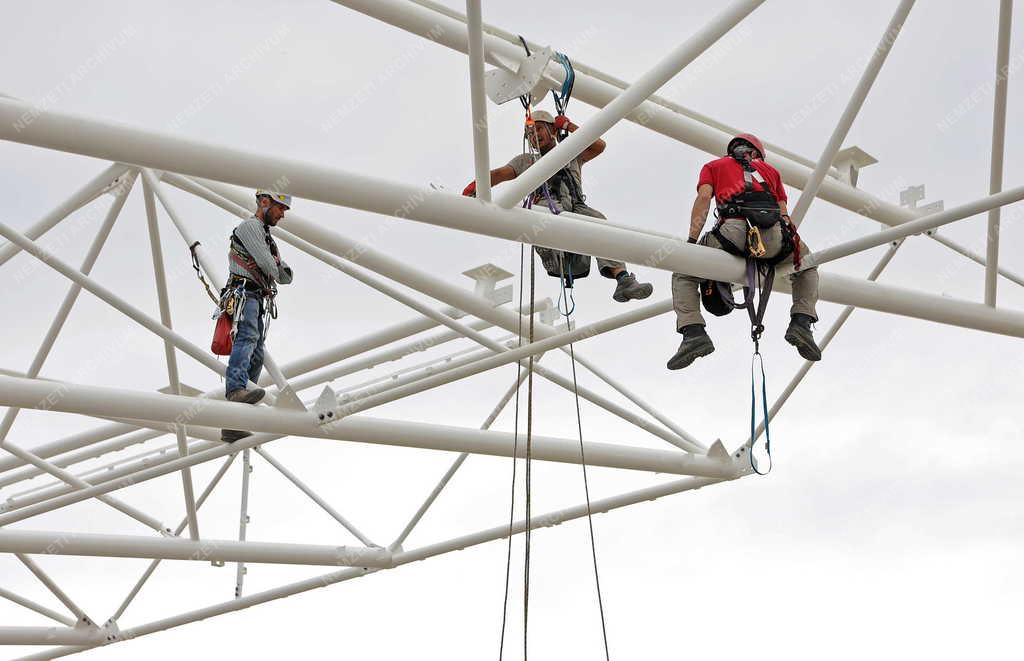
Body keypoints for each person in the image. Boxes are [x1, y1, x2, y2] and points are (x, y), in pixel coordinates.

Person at [462, 110, 653, 302]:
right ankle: (567, 258)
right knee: (560, 218)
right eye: (530, 134)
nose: (534, 136)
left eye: (538, 129)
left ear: (552, 129)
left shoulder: (571, 153)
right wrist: (476, 186)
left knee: (602, 224)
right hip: (546, 208)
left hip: (576, 207)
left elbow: (598, 145)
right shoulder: (526, 161)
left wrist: (568, 126)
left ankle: (622, 278)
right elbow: (500, 174)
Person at [667, 133, 821, 370]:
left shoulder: (714, 166)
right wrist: (790, 246)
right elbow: (784, 214)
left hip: (733, 233)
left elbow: (704, 198)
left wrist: (691, 240)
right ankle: (801, 321)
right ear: (758, 153)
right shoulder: (771, 172)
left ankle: (693, 333)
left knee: (684, 272)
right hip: (774, 237)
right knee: (807, 265)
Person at [221, 189, 294, 442]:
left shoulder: (267, 237)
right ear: (264, 203)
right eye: (280, 209)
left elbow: (283, 276)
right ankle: (236, 391)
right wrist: (277, 267)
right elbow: (270, 266)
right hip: (245, 294)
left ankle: (235, 420)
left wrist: (278, 268)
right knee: (247, 338)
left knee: (257, 354)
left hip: (256, 298)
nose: (282, 215)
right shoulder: (250, 228)